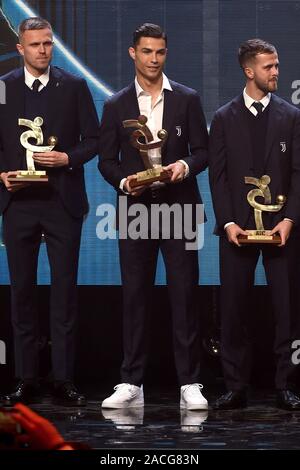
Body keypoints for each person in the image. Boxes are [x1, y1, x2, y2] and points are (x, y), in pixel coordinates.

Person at [98, 23, 208, 409]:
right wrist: (125, 184)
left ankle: (190, 382)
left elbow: (203, 152)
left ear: (166, 53)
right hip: (136, 210)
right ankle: (131, 381)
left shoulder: (188, 99)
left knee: (184, 295)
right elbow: (106, 162)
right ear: (133, 53)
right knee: (135, 296)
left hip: (179, 207)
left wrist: (184, 167)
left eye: (160, 51)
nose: (154, 59)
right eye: (146, 51)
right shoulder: (115, 105)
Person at [0, 17, 99, 406]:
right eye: (35, 45)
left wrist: (66, 158)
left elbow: (92, 141)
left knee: (64, 295)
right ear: (21, 48)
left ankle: (63, 379)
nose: (43, 50)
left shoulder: (74, 86)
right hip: (18, 205)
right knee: (21, 294)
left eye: (48, 44)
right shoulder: (3, 89)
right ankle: (25, 377)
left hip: (61, 202)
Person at [209, 38, 300, 410]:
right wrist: (228, 222)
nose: (276, 72)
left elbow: (297, 173)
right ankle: (235, 386)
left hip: (282, 230)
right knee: (233, 310)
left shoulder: (291, 116)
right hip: (237, 231)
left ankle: (286, 385)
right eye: (269, 66)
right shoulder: (223, 117)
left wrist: (291, 218)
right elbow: (218, 177)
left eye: (277, 65)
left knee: (288, 310)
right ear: (249, 71)